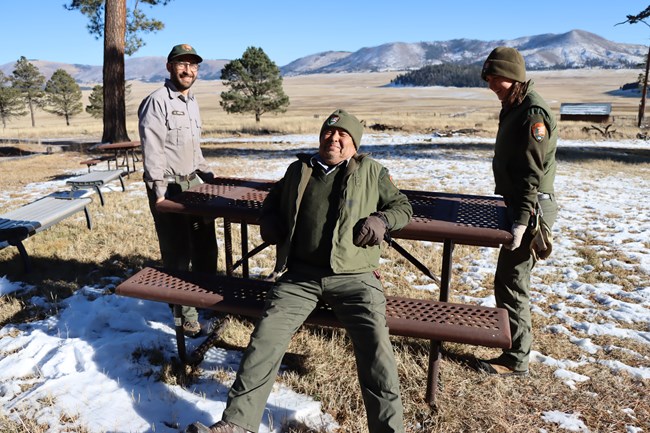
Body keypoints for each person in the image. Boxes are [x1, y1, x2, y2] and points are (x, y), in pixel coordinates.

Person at [186, 109, 413, 433]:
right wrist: (270, 222)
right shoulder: (299, 170)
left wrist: (382, 221)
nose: (333, 139)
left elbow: (403, 207)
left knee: (377, 349)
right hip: (300, 278)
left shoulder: (373, 172)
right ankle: (237, 423)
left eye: (342, 135)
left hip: (355, 279)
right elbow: (271, 204)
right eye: (328, 133)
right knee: (265, 338)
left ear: (354, 143)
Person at [478, 46, 558, 375]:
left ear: (515, 77)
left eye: (499, 79)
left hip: (531, 209)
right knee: (508, 279)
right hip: (519, 205)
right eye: (489, 79)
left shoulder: (531, 112)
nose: (493, 85)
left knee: (512, 281)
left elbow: (531, 176)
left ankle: (516, 360)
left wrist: (523, 223)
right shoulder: (516, 104)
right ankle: (514, 351)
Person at [138, 43, 217, 337]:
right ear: (169, 67)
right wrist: (158, 191)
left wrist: (207, 174)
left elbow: (193, 148)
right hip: (168, 185)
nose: (188, 70)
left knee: (206, 245)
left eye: (193, 65)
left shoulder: (191, 102)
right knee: (178, 252)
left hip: (192, 180)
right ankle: (185, 314)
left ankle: (208, 297)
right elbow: (153, 148)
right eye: (182, 64)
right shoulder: (156, 102)